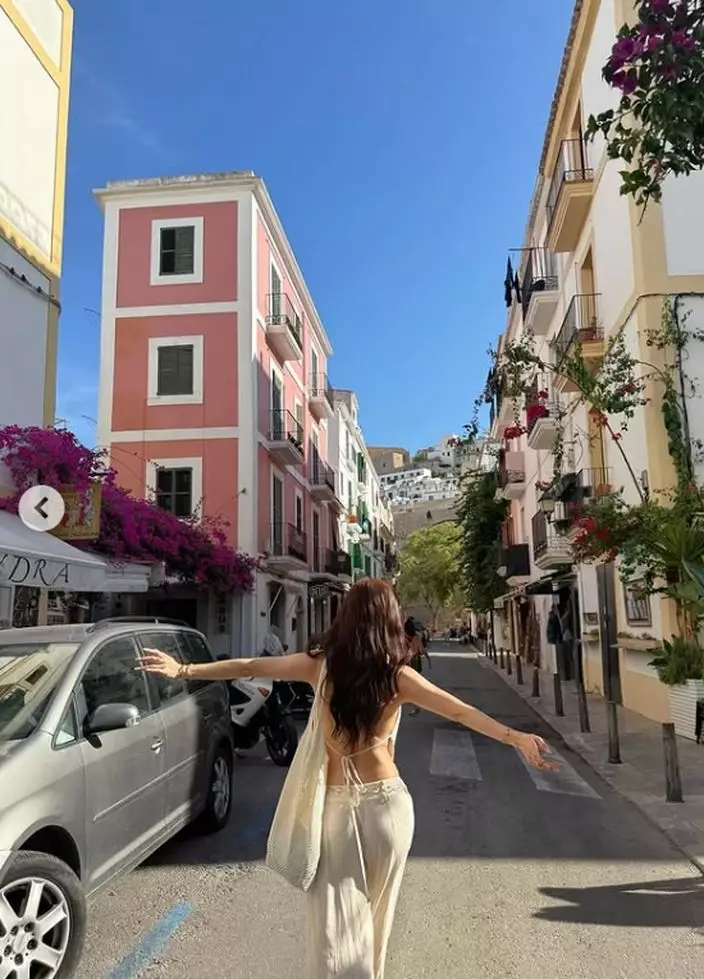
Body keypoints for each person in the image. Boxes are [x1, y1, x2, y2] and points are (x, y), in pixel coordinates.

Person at [137, 579, 554, 979]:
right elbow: (459, 710)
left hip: (339, 809)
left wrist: (183, 669)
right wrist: (516, 738)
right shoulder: (398, 676)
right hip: (390, 807)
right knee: (378, 919)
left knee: (334, 931)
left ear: (347, 617)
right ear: (390, 619)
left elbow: (249, 666)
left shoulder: (320, 666)